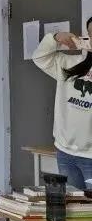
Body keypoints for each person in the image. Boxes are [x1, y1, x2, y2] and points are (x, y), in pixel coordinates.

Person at [32, 21, 92, 190]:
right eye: (90, 33)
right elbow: (40, 57)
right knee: (73, 204)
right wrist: (56, 38)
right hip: (66, 153)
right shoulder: (69, 64)